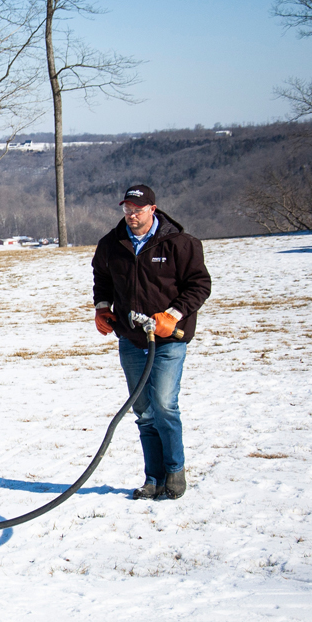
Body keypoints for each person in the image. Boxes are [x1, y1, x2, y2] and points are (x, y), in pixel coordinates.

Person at [91, 184, 212, 500]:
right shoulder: (111, 244)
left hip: (168, 338)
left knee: (164, 405)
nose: (132, 215)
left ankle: (174, 471)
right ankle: (153, 478)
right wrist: (102, 307)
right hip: (131, 338)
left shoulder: (179, 244)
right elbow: (102, 278)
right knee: (143, 411)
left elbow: (199, 285)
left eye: (138, 210)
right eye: (127, 210)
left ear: (152, 209)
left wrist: (173, 314)